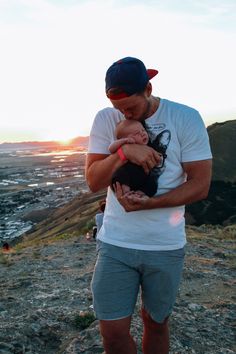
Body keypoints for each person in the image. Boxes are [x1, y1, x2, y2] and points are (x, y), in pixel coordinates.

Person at [85, 56, 212, 354]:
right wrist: (124, 152)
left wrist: (150, 204)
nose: (124, 113)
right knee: (113, 333)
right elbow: (92, 180)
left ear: (148, 89)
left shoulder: (185, 117)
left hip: (164, 246)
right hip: (116, 243)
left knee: (155, 323)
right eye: (119, 108)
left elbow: (200, 185)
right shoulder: (106, 119)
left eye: (130, 107)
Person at [109, 119, 163, 196]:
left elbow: (157, 157)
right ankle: (125, 190)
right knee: (119, 175)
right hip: (128, 174)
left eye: (143, 130)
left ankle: (141, 194)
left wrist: (158, 157)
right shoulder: (125, 144)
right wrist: (124, 141)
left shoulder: (148, 146)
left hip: (144, 175)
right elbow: (111, 149)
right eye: (137, 133)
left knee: (153, 183)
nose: (143, 134)